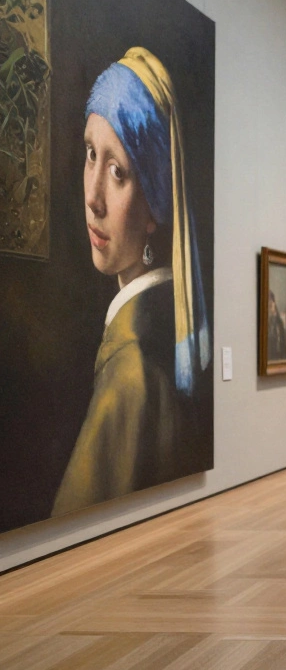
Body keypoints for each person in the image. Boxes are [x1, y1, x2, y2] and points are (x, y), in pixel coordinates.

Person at [53, 47, 210, 515]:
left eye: (118, 172)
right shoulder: (153, 335)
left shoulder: (132, 369)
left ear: (154, 205)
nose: (93, 197)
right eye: (89, 155)